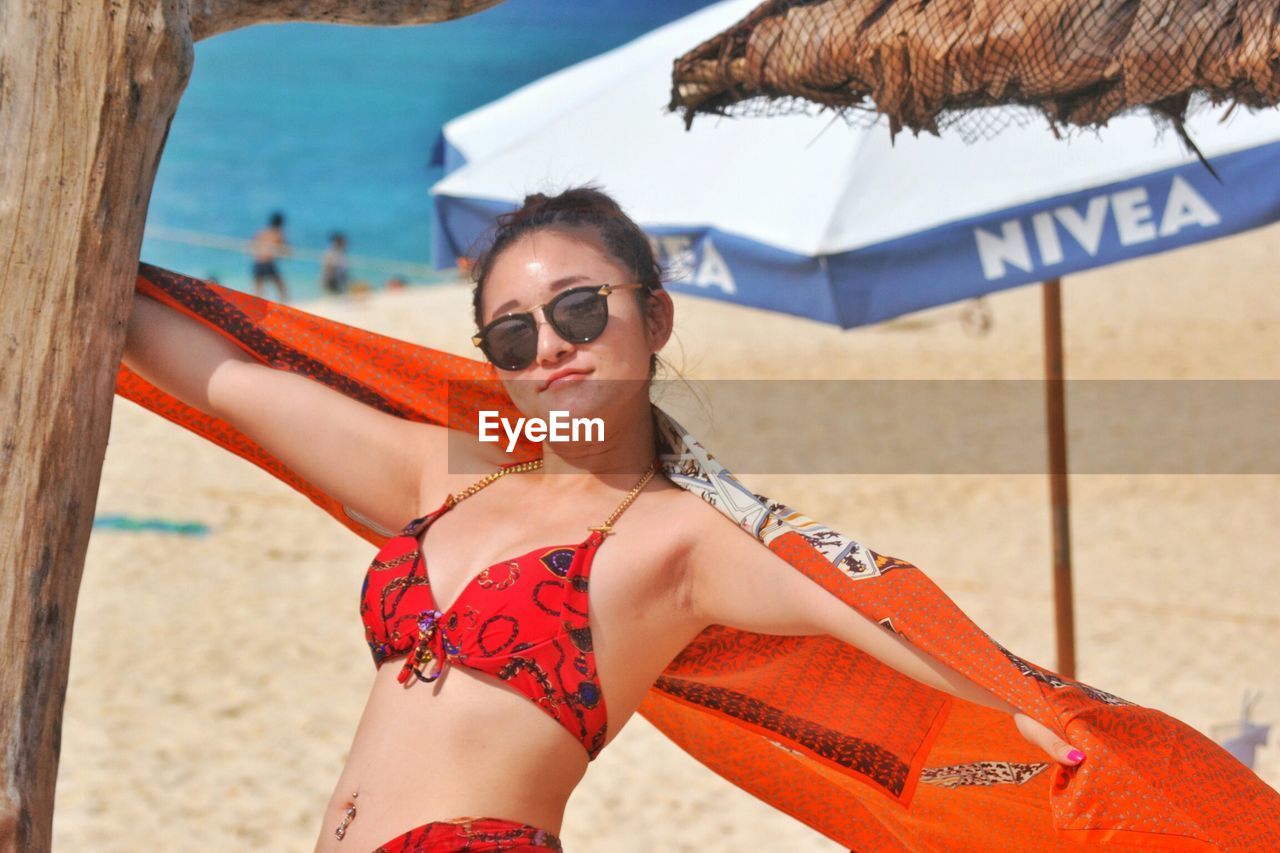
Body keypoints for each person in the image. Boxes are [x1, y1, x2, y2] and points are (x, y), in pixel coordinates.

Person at [124, 187, 1199, 853]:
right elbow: (222, 378)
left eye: (579, 308)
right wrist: (71, 259)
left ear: (655, 316)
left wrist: (1038, 719)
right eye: (510, 332)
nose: (548, 343)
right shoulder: (439, 475)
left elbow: (882, 616)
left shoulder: (680, 544)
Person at [250, 211, 290, 301]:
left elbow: (252, 245)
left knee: (258, 290)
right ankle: (284, 305)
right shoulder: (278, 234)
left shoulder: (262, 232)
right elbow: (285, 249)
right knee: (281, 287)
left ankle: (255, 305)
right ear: (280, 223)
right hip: (268, 263)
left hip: (257, 262)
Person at [322, 232, 350, 296]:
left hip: (338, 282)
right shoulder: (332, 253)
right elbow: (328, 270)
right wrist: (328, 283)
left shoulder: (340, 253)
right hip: (333, 282)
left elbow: (343, 271)